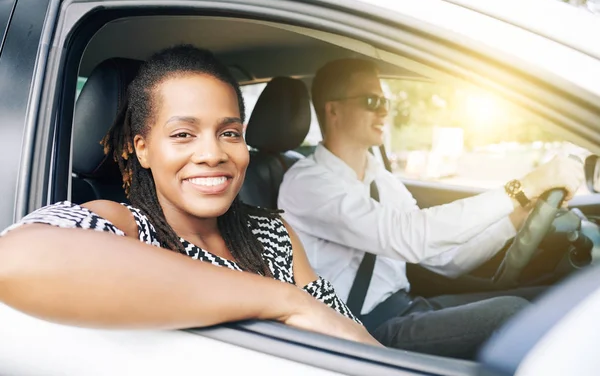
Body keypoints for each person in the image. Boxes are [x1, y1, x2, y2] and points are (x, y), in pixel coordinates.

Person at [0, 46, 379, 347]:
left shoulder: (273, 233)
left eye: (229, 133)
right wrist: (284, 301)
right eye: (183, 134)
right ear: (143, 149)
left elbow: (347, 335)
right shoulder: (128, 228)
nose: (213, 153)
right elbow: (14, 257)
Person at [277, 58, 585, 359]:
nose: (385, 109)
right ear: (333, 110)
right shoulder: (308, 183)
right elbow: (410, 237)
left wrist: (514, 220)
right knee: (513, 314)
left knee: (550, 302)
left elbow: (447, 260)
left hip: (407, 308)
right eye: (372, 100)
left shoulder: (381, 179)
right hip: (363, 332)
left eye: (385, 100)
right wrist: (520, 188)